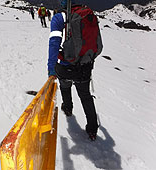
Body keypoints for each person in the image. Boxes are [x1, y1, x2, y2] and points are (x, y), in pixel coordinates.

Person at [47, 0, 103, 141]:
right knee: (85, 96)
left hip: (65, 66)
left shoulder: (60, 18)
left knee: (65, 87)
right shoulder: (87, 14)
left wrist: (51, 68)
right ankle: (92, 129)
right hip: (84, 65)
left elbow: (54, 43)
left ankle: (68, 108)